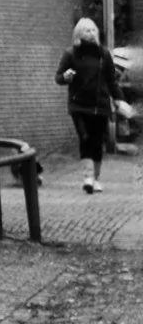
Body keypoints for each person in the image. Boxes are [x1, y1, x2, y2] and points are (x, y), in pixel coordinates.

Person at [55, 16, 123, 193]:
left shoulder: (103, 54)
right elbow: (59, 77)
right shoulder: (71, 54)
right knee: (85, 138)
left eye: (93, 30)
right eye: (87, 30)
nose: (91, 33)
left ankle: (96, 177)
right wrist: (66, 77)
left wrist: (119, 100)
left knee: (97, 141)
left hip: (99, 106)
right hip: (79, 105)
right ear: (78, 33)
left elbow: (111, 80)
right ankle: (88, 177)